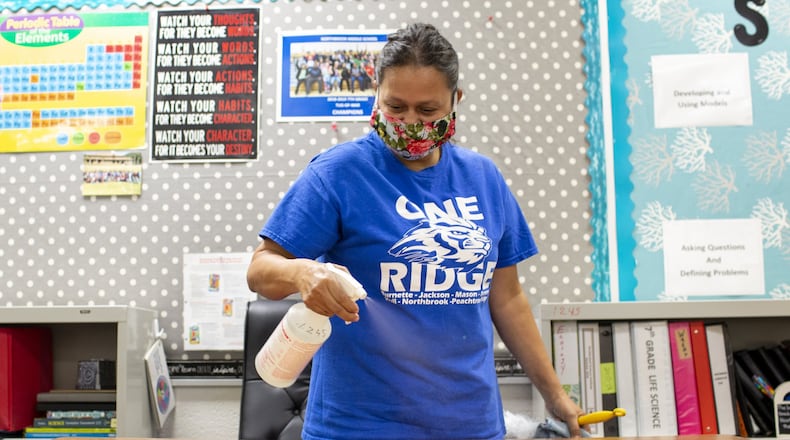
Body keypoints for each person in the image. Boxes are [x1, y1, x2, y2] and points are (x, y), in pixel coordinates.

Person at [247, 22, 583, 440]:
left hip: (470, 423)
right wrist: (303, 274)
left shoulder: (483, 178)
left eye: (427, 111)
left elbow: (508, 298)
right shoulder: (338, 173)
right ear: (376, 94)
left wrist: (554, 395)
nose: (409, 122)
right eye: (395, 107)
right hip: (360, 426)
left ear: (455, 102)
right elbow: (261, 270)